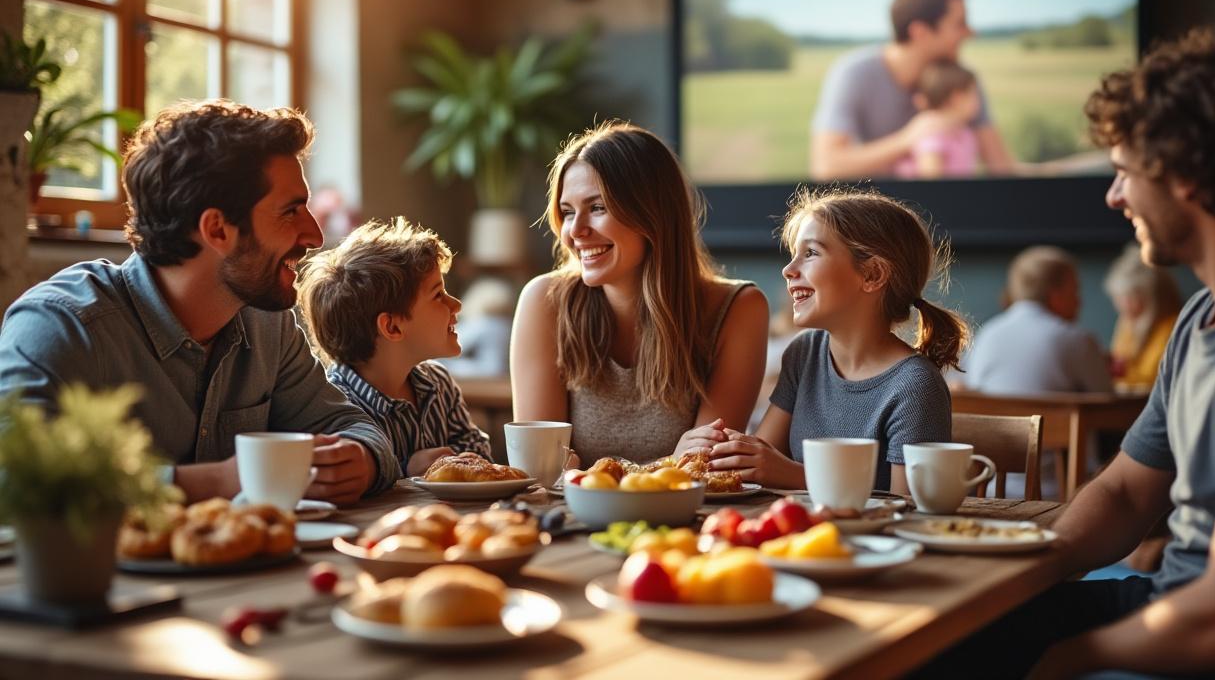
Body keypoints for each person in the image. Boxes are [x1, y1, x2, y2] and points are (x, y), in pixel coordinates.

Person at [919, 27, 1215, 679]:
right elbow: (1121, 495)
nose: (1114, 197)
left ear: (1188, 174)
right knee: (939, 636)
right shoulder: (1205, 312)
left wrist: (1058, 661)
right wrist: (1001, 569)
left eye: (1123, 172)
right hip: (1171, 602)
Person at [0, 100, 397, 505]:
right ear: (217, 229)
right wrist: (215, 483)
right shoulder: (61, 327)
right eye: (290, 211)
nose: (314, 235)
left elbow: (352, 426)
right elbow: (11, 479)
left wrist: (361, 459)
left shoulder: (268, 324)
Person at [510, 122, 769, 467]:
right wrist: (665, 465)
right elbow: (540, 467)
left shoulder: (739, 309)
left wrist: (667, 466)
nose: (575, 231)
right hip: (569, 518)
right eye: (568, 212)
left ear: (652, 213)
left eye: (598, 207)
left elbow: (706, 467)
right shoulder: (545, 301)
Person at [693, 187, 966, 493]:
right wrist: (705, 449)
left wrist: (799, 477)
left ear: (873, 275)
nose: (788, 270)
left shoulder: (915, 387)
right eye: (794, 255)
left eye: (810, 253)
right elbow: (762, 460)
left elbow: (909, 508)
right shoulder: (805, 352)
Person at [295, 217, 493, 478]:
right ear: (393, 327)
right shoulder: (334, 404)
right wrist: (404, 469)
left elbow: (480, 451)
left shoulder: (438, 383)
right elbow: (340, 477)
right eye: (437, 295)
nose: (456, 305)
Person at [810, 0, 1013, 180]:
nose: (971, 32)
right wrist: (909, 139)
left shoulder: (962, 82)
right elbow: (826, 166)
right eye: (960, 24)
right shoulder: (854, 73)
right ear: (920, 32)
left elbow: (1001, 167)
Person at [965, 245, 1113, 394]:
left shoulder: (985, 335)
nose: (1079, 302)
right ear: (1057, 297)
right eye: (1075, 292)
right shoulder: (1078, 340)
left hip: (994, 416)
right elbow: (1108, 403)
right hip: (1054, 418)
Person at [1104, 244, 1182, 389]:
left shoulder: (1173, 327)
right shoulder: (1127, 322)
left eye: (1125, 298)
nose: (1119, 305)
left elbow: (1155, 380)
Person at [893, 60, 982, 179]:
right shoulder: (931, 135)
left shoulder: (963, 132)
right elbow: (932, 185)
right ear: (957, 97)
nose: (978, 99)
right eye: (973, 93)